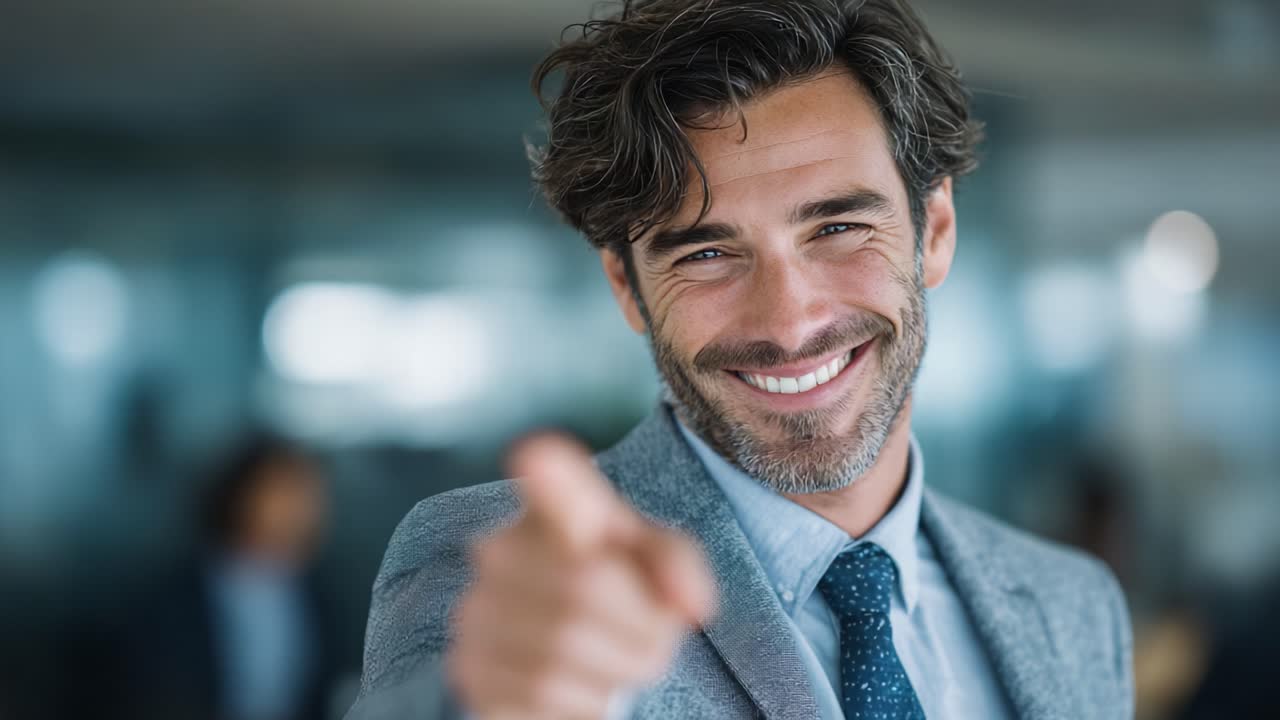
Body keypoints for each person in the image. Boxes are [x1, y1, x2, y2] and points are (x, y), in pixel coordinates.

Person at [347, 1, 1134, 718]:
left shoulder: (1073, 605)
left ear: (934, 229)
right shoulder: (508, 569)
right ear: (627, 285)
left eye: (836, 229)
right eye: (709, 252)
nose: (789, 323)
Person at [119, 433, 339, 720]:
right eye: (287, 491)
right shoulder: (171, 598)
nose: (303, 511)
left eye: (312, 495)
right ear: (241, 494)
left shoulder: (321, 598)